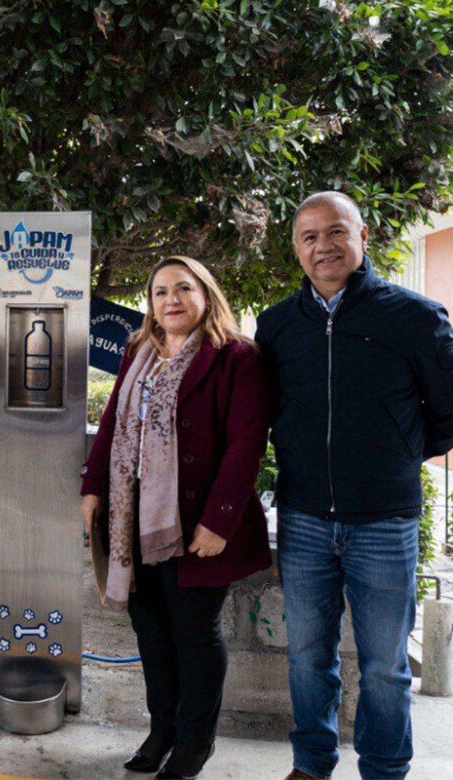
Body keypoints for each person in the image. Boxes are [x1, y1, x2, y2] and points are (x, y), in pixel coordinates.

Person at [255, 192, 453, 780]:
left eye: (336, 232)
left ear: (361, 236)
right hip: (304, 518)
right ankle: (312, 764)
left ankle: (386, 769)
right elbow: (264, 411)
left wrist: (397, 455)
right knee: (307, 656)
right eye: (310, 237)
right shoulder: (277, 325)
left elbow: (447, 411)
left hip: (384, 521)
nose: (324, 247)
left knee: (386, 665)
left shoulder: (415, 317)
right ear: (296, 248)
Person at [81, 256, 272, 779]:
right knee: (151, 632)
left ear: (206, 294)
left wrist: (219, 521)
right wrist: (93, 487)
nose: (171, 300)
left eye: (183, 288)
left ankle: (194, 743)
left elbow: (246, 444)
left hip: (195, 521)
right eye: (160, 291)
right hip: (132, 519)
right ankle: (161, 728)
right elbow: (114, 423)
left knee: (193, 632)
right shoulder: (139, 351)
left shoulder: (235, 356)